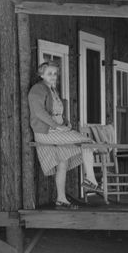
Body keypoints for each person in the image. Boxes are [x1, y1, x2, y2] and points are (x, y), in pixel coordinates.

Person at [28, 62, 101, 209]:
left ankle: (61, 199)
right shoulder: (38, 89)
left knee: (63, 162)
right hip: (46, 132)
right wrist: (57, 126)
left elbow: (58, 113)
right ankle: (91, 179)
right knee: (87, 141)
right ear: (41, 75)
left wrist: (65, 123)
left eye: (55, 73)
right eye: (49, 73)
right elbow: (39, 112)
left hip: (57, 130)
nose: (53, 76)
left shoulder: (52, 90)